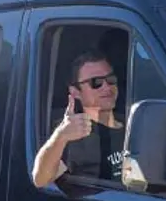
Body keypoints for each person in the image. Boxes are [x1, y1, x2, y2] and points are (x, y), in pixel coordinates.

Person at [31, 49, 126, 188]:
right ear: (75, 92)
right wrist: (61, 136)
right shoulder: (72, 132)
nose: (107, 87)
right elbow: (41, 179)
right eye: (96, 82)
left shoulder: (134, 122)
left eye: (111, 79)